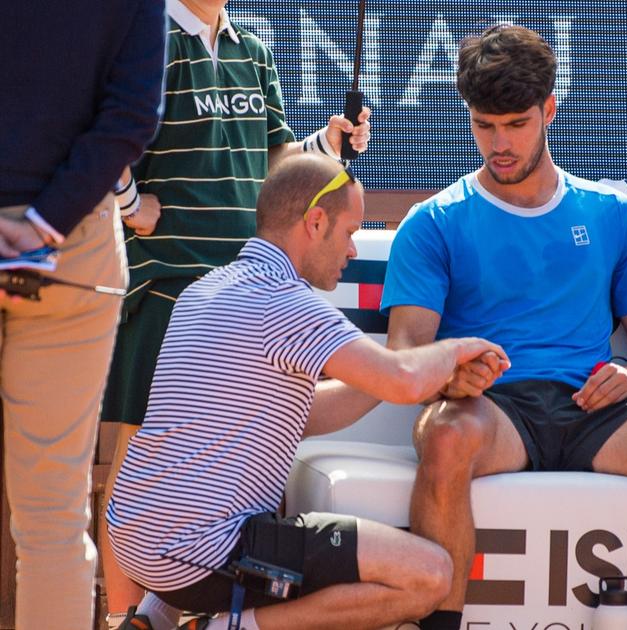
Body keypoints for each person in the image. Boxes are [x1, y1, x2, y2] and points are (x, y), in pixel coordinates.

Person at [381, 24, 627, 630]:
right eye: (483, 125)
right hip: (490, 410)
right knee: (446, 436)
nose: (498, 144)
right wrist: (451, 376)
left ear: (549, 109)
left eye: (515, 124)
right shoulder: (433, 221)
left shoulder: (611, 214)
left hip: (594, 409)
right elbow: (404, 356)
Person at [107, 154, 508, 630]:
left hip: (134, 542)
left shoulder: (205, 290)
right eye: (349, 232)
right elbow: (403, 378)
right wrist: (458, 348)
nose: (354, 250)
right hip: (199, 553)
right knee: (431, 575)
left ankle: (152, 620)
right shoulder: (286, 303)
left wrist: (398, 380)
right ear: (315, 222)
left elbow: (303, 413)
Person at [99, 0, 373, 624]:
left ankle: (172, 613)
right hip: (166, 285)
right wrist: (130, 203)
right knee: (144, 456)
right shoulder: (147, 37)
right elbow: (99, 135)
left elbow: (277, 166)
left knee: (230, 460)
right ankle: (123, 619)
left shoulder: (253, 47)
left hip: (246, 295)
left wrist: (325, 145)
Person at [0, 1, 165, 627]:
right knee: (52, 520)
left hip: (65, 250)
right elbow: (130, 115)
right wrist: (42, 226)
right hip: (74, 248)